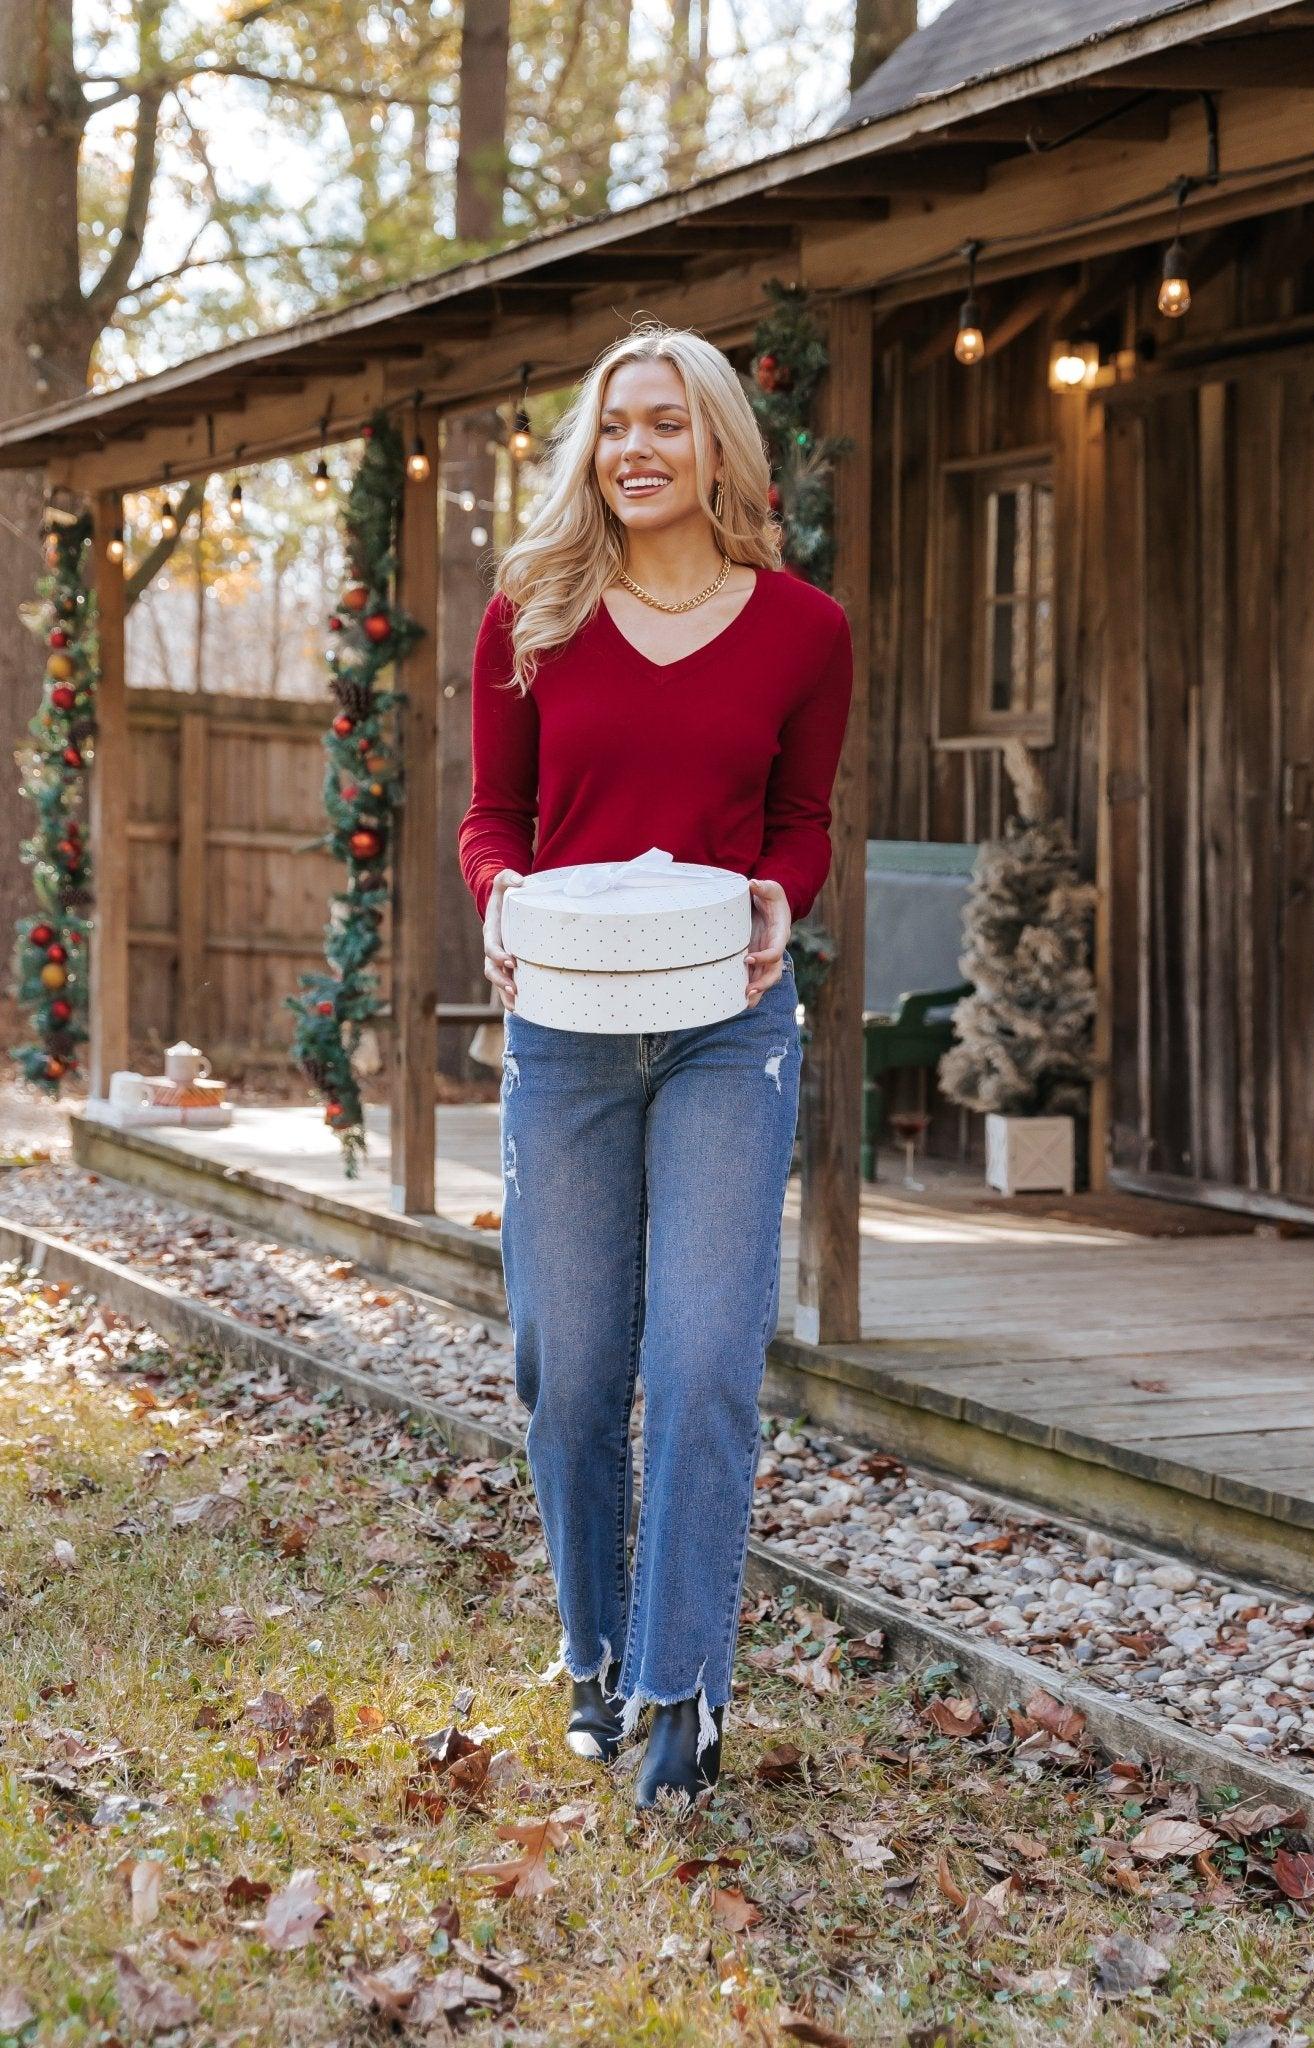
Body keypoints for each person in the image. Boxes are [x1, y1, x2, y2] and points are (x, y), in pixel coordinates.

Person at [457, 319, 853, 1809]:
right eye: (615, 423)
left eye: (667, 424)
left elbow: (799, 822)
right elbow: (494, 817)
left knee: (699, 1360)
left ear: (717, 449)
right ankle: (591, 1649)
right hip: (563, 1029)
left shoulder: (805, 630)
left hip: (724, 1031)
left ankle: (678, 1693)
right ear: (590, 445)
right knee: (568, 1371)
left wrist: (777, 898)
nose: (636, 448)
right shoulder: (534, 614)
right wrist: (498, 900)